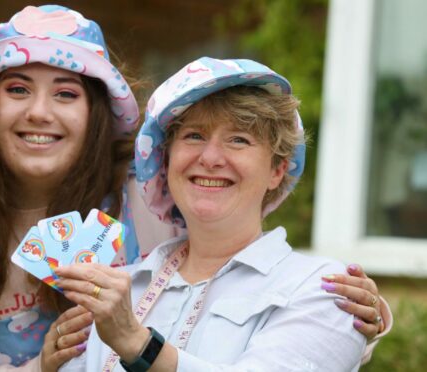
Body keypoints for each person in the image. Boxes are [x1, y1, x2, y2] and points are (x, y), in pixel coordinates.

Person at [0, 5, 390, 372]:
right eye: (17, 89)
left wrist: (347, 321)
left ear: (97, 115)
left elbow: (240, 275)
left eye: (66, 93)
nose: (39, 111)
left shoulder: (150, 209)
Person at [50, 57, 389, 371]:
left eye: (239, 140)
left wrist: (136, 342)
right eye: (194, 135)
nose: (210, 158)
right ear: (166, 162)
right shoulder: (117, 288)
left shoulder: (322, 288)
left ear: (277, 170)